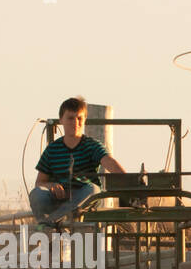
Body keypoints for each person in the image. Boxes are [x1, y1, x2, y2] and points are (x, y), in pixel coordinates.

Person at [29, 96, 126, 224]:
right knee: (37, 194)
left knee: (93, 190)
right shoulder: (52, 149)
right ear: (61, 120)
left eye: (79, 118)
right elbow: (40, 183)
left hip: (83, 199)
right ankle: (57, 218)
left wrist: (128, 180)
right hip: (59, 199)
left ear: (84, 120)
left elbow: (110, 163)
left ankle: (50, 222)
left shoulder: (92, 146)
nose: (75, 122)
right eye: (70, 118)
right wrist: (51, 186)